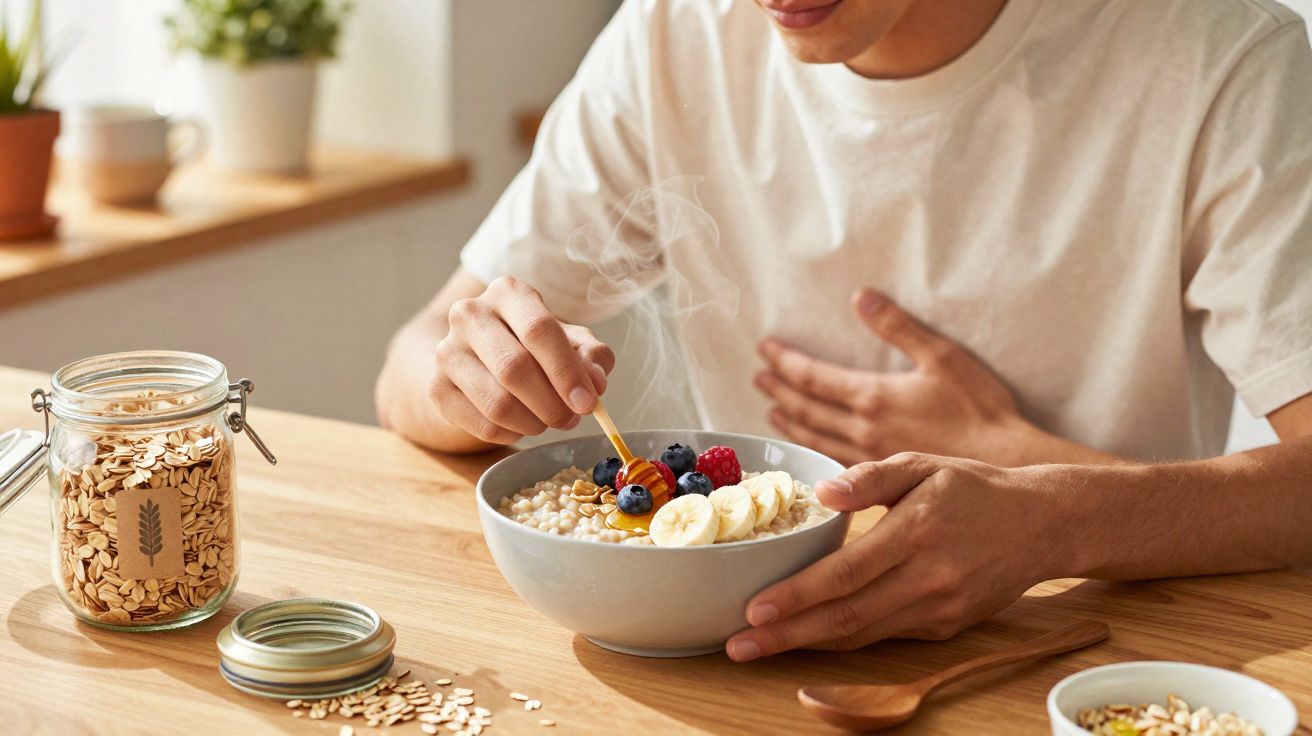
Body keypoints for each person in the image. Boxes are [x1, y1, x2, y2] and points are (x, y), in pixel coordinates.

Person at [376, 0, 1312, 662]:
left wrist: (1044, 500)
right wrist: (469, 377)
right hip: (724, 661)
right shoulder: (671, 34)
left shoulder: (1219, 56)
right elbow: (412, 364)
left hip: (1078, 654)